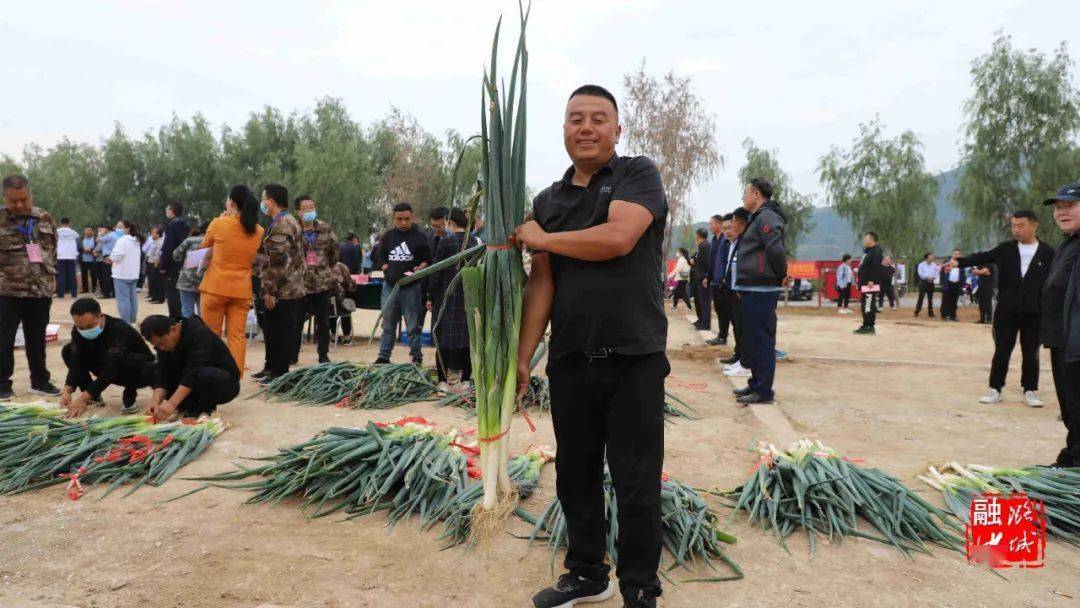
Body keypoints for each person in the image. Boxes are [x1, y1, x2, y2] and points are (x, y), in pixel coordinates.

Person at [513, 84, 668, 608]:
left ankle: (640, 584)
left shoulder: (636, 174)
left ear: (617, 129)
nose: (586, 127)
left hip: (634, 357)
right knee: (575, 474)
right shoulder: (549, 202)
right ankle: (586, 573)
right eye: (575, 118)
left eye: (598, 118)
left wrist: (544, 239)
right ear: (563, 130)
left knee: (636, 479)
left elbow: (618, 238)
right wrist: (521, 358)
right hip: (571, 359)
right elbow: (543, 284)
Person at [944, 209, 1055, 407]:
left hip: (1034, 312)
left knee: (1031, 352)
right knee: (1002, 349)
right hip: (1006, 310)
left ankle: (1029, 390)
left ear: (1034, 225)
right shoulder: (1006, 249)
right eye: (1013, 226)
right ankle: (995, 388)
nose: (1016, 230)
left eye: (1021, 225)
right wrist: (959, 262)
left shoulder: (1047, 252)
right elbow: (982, 256)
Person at [0, 174, 61, 399]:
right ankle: (2, 384)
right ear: (4, 197)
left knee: (37, 337)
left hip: (39, 290)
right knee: (3, 340)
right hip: (7, 291)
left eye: (23, 199)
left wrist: (48, 278)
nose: (19, 205)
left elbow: (52, 249)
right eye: (13, 200)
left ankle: (40, 380)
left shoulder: (44, 217)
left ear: (30, 194)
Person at [730, 177, 788, 404]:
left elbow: (775, 248)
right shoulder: (757, 218)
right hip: (752, 286)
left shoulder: (767, 217)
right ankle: (755, 383)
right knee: (752, 339)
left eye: (745, 193)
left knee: (762, 339)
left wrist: (780, 273)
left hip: (762, 287)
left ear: (755, 194)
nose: (743, 198)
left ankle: (764, 390)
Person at [201, 185, 265, 378]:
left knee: (211, 335)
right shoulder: (259, 230)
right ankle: (234, 376)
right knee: (237, 337)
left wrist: (224, 218)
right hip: (241, 290)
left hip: (215, 287)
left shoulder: (219, 223)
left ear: (232, 203)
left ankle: (211, 374)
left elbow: (204, 248)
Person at [59, 297, 154, 416]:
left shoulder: (118, 328)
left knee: (118, 357)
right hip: (107, 363)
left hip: (138, 372)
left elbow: (112, 368)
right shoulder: (78, 330)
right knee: (68, 350)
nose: (84, 330)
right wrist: (68, 389)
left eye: (89, 326)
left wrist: (83, 399)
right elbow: (76, 360)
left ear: (100, 316)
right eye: (80, 327)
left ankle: (129, 396)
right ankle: (93, 396)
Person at [1041, 183, 1080, 466]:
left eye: (1070, 205)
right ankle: (1073, 457)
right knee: (1071, 407)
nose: (1062, 212)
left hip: (1076, 343)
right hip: (1061, 340)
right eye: (1058, 207)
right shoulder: (1069, 242)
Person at [139, 314, 240, 420]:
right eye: (157, 346)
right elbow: (162, 372)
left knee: (204, 374)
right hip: (191, 381)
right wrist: (155, 402)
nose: (161, 348)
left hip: (223, 383)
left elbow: (193, 371)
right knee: (150, 368)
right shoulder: (164, 344)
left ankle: (207, 409)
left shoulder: (198, 333)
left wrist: (172, 403)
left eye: (162, 343)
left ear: (173, 329)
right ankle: (187, 409)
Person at [254, 184, 305, 383]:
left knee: (280, 331)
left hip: (283, 289)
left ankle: (278, 373)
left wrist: (270, 291)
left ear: (271, 201)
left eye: (264, 198)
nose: (262, 202)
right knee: (272, 330)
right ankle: (270, 367)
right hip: (285, 287)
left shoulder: (283, 224)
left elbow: (277, 261)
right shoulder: (282, 221)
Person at [373, 202, 431, 365]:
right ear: (394, 218)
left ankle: (416, 357)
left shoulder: (420, 237)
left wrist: (420, 268)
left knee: (413, 325)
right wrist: (386, 268)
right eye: (400, 219)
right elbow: (380, 257)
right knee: (388, 323)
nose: (403, 222)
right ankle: (384, 356)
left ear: (412, 217)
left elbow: (427, 259)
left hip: (411, 287)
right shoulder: (388, 236)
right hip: (390, 286)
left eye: (407, 219)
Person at [427, 207, 479, 389]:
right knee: (467, 340)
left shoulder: (445, 242)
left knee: (443, 341)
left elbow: (436, 272)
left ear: (451, 223)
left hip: (446, 299)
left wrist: (430, 296)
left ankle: (442, 381)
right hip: (468, 299)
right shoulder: (476, 242)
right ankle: (465, 380)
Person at [294, 196, 339, 365]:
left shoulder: (324, 228)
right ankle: (292, 354)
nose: (310, 210)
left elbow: (334, 252)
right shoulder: (293, 229)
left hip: (322, 283)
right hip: (299, 285)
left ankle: (323, 354)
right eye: (306, 208)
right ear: (298, 212)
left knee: (323, 322)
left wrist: (324, 268)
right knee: (296, 323)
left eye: (312, 206)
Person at [721, 208, 751, 378]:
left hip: (741, 290)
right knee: (738, 327)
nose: (729, 229)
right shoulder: (732, 244)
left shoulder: (745, 242)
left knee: (744, 328)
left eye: (731, 225)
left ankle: (745, 362)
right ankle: (741, 359)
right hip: (733, 289)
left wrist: (740, 285)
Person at [107, 220, 144, 325]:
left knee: (123, 300)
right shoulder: (136, 241)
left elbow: (116, 256)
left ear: (127, 229)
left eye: (120, 227)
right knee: (132, 299)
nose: (117, 229)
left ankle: (125, 321)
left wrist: (110, 258)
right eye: (117, 226)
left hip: (121, 274)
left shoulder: (122, 240)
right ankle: (132, 321)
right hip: (132, 273)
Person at [160, 202, 190, 319]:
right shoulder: (184, 225)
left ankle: (175, 318)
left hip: (172, 263)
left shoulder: (172, 226)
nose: (166, 211)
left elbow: (168, 247)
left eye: (167, 209)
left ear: (172, 211)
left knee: (171, 292)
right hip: (182, 262)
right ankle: (180, 316)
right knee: (179, 291)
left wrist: (163, 265)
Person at [173, 223, 208, 318]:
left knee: (187, 311)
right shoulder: (215, 242)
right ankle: (202, 332)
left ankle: (189, 331)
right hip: (205, 282)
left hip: (186, 280)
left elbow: (175, 256)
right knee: (203, 313)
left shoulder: (189, 240)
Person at [706, 214, 731, 346]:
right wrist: (708, 277)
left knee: (724, 309)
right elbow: (712, 262)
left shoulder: (725, 240)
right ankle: (721, 335)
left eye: (712, 224)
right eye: (709, 224)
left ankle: (723, 336)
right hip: (715, 281)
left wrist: (725, 278)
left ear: (720, 224)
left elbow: (727, 261)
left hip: (723, 281)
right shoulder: (714, 241)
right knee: (718, 308)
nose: (710, 226)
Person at [855, 232, 884, 335]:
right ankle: (865, 324)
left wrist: (871, 280)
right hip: (865, 283)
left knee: (868, 305)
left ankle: (870, 326)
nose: (864, 241)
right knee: (865, 305)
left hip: (870, 284)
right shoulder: (869, 251)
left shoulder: (876, 251)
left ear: (871, 239)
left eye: (866, 238)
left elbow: (876, 267)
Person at [328, 261, 357, 344]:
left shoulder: (322, 265)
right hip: (340, 301)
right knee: (345, 306)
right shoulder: (342, 266)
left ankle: (333, 335)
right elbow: (349, 285)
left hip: (325, 303)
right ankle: (347, 336)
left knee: (331, 310)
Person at [690, 228, 712, 331]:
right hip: (699, 278)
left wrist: (707, 276)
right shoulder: (701, 246)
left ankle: (705, 324)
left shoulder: (706, 246)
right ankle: (701, 320)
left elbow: (708, 263)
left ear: (698, 235)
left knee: (705, 302)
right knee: (700, 301)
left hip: (704, 279)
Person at [55, 217, 79, 298]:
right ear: (69, 223)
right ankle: (74, 294)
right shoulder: (73, 232)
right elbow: (77, 236)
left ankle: (60, 294)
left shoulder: (57, 232)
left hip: (60, 256)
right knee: (72, 275)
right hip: (71, 256)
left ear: (60, 223)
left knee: (61, 276)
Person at [939, 249, 966, 321]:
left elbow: (963, 275)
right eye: (955, 253)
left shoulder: (961, 264)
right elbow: (941, 273)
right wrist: (942, 283)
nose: (956, 255)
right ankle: (944, 315)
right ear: (952, 254)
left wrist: (962, 284)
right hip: (948, 284)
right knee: (945, 300)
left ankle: (953, 316)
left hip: (957, 284)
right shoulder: (946, 262)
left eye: (958, 254)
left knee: (954, 301)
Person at [95, 225, 117, 298]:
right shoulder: (114, 234)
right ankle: (113, 293)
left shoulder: (109, 236)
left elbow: (97, 240)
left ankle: (106, 293)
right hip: (113, 256)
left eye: (103, 229)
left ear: (106, 229)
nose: (101, 230)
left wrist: (100, 234)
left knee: (106, 276)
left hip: (107, 256)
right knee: (112, 275)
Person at [144, 227, 165, 303]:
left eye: (154, 233)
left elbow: (160, 255)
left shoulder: (160, 242)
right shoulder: (154, 242)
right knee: (153, 282)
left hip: (156, 264)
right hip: (150, 262)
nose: (152, 234)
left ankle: (159, 298)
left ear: (158, 234)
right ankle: (154, 296)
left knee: (158, 282)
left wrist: (157, 263)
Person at [914, 253, 938, 318]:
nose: (932, 258)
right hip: (923, 282)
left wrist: (933, 278)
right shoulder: (921, 265)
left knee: (930, 298)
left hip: (931, 282)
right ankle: (917, 311)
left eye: (932, 257)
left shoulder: (934, 265)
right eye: (930, 257)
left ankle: (931, 313)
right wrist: (927, 277)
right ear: (926, 258)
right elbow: (920, 273)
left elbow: (936, 273)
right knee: (921, 297)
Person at [79, 227, 97, 295]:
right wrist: (83, 249)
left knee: (93, 274)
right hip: (83, 259)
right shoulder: (82, 239)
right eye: (86, 231)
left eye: (88, 231)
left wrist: (90, 250)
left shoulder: (95, 239)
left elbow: (96, 247)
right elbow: (79, 247)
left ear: (91, 232)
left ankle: (94, 288)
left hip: (92, 259)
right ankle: (85, 289)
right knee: (84, 275)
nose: (87, 233)